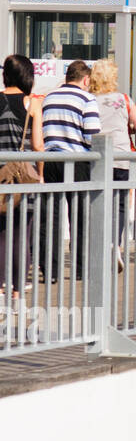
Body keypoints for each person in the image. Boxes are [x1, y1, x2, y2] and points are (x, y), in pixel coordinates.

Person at [40, 60, 101, 281]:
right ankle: (79, 268)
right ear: (85, 79)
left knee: (51, 216)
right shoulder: (87, 99)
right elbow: (92, 136)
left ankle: (50, 270)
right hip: (77, 161)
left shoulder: (49, 98)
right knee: (80, 217)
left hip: (51, 159)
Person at [89, 60, 136, 271]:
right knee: (121, 204)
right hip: (122, 157)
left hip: (97, 158)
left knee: (98, 203)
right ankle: (115, 245)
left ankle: (99, 247)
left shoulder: (89, 100)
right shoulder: (123, 99)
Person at [0, 55, 43, 298]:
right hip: (23, 177)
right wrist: (41, 176)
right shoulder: (32, 103)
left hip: (0, 175)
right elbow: (38, 145)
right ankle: (17, 290)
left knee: (2, 233)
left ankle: (0, 285)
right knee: (21, 233)